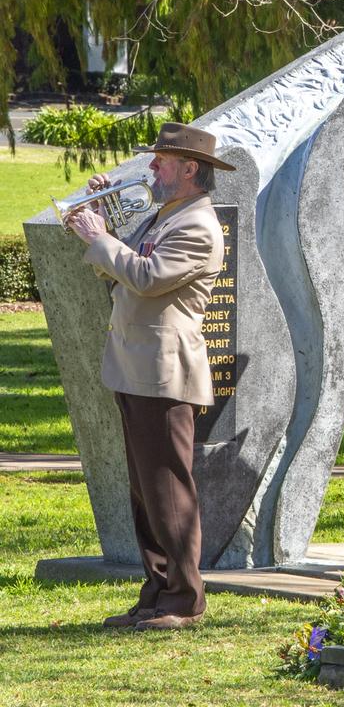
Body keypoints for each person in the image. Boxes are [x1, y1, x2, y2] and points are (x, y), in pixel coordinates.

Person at [66, 123, 231, 631]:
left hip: (164, 371)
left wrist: (99, 238)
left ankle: (185, 600)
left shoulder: (198, 225)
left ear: (189, 169)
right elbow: (116, 269)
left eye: (160, 161)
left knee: (168, 490)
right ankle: (157, 592)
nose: (150, 168)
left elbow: (146, 276)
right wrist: (103, 222)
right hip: (136, 366)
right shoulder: (167, 214)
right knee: (144, 491)